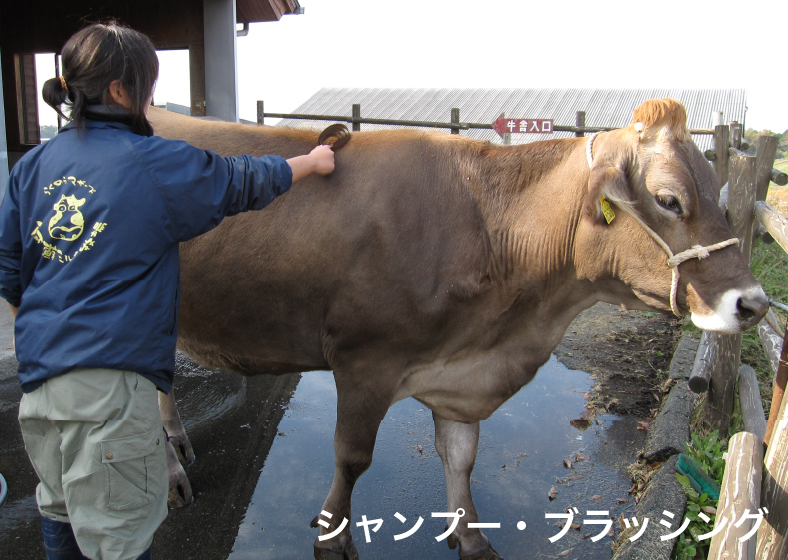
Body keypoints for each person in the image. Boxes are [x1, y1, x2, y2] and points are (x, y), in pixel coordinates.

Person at [0, 22, 335, 560]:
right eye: (148, 85)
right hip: (108, 389)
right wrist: (312, 162)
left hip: (40, 385)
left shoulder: (33, 165)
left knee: (59, 509)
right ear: (119, 91)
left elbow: (9, 267)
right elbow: (239, 180)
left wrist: (44, 330)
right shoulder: (150, 163)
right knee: (120, 537)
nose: (152, 98)